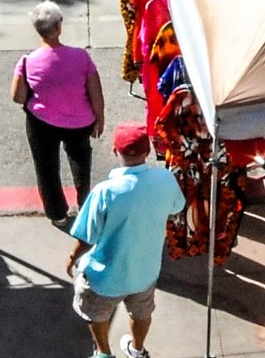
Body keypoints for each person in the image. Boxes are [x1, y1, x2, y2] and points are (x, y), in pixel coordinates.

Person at [66, 124, 185, 358]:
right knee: (141, 313)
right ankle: (137, 350)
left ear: (114, 151)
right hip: (145, 272)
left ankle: (103, 353)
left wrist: (72, 259)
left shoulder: (105, 192)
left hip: (104, 278)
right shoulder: (165, 179)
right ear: (148, 151)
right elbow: (177, 208)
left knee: (97, 315)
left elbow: (87, 237)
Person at [12, 0, 104, 226]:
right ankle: (84, 206)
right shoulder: (81, 57)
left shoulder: (27, 62)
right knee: (81, 162)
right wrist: (99, 116)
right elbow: (95, 90)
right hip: (80, 122)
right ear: (59, 27)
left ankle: (58, 214)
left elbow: (18, 97)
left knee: (46, 167)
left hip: (41, 123)